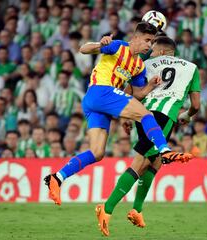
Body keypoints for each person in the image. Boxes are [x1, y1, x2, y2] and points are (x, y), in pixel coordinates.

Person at [44, 23, 193, 208]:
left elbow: (135, 94)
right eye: (147, 40)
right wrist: (101, 44)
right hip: (100, 91)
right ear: (136, 37)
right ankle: (164, 150)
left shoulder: (139, 66)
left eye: (152, 42)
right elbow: (83, 49)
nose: (149, 45)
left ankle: (57, 178)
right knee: (146, 115)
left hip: (98, 103)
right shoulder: (118, 46)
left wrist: (150, 86)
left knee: (97, 153)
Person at [97, 36, 201, 236]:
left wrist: (127, 117)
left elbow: (130, 92)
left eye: (153, 50)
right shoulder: (191, 68)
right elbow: (196, 105)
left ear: (162, 52)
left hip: (143, 115)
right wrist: (186, 116)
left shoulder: (144, 64)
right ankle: (107, 208)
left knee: (156, 161)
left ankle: (137, 210)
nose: (150, 53)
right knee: (141, 161)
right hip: (164, 117)